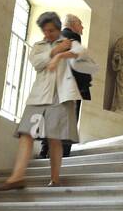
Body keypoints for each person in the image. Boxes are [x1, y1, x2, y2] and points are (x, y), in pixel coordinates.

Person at [0, 10, 98, 190]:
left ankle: (55, 179)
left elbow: (82, 54)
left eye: (51, 30)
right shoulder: (38, 46)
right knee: (26, 133)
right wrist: (55, 51)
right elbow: (37, 63)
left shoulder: (70, 41)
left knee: (55, 137)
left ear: (58, 28)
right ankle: (17, 177)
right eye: (45, 30)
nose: (47, 34)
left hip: (62, 95)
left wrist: (60, 54)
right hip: (39, 95)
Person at [39, 13, 92, 159]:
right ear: (73, 24)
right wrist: (84, 84)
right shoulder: (72, 38)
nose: (82, 27)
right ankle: (63, 152)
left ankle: (45, 150)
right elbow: (77, 64)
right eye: (80, 24)